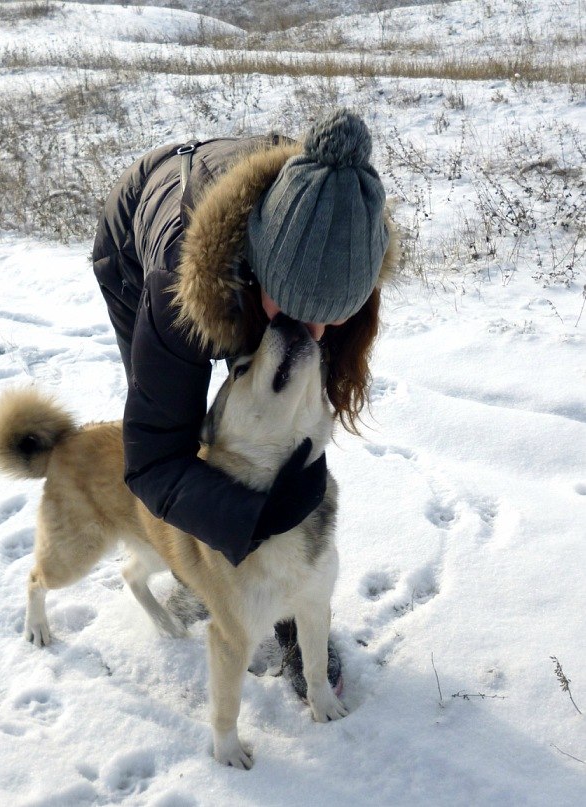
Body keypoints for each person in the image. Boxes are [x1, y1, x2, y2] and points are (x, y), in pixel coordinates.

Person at [92, 107, 397, 698]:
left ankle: (293, 608)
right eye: (292, 308)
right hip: (142, 246)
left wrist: (294, 491)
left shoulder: (347, 237)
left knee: (274, 400)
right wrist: (254, 521)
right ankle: (210, 575)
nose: (311, 330)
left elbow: (291, 417)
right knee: (187, 426)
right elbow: (155, 460)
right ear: (260, 268)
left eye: (330, 316)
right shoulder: (175, 288)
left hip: (243, 251)